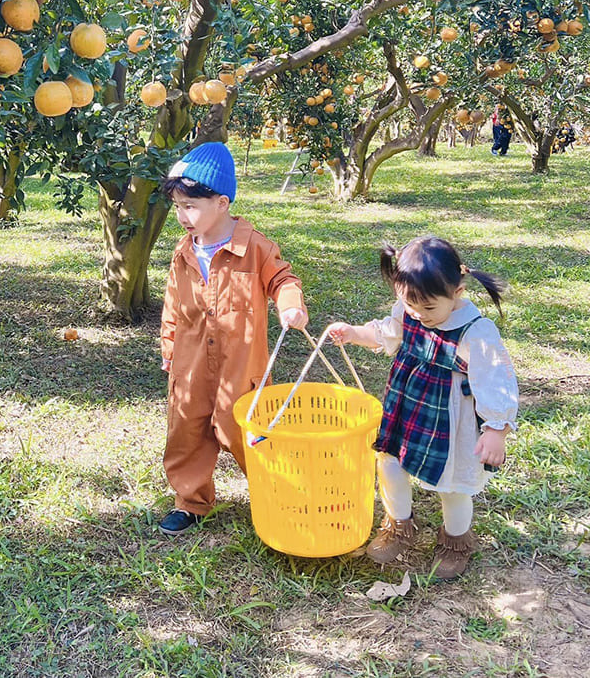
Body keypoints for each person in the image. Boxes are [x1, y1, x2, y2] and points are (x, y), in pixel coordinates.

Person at [324, 236, 518, 580]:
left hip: (449, 420)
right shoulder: (409, 309)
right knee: (390, 463)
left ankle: (455, 541)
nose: (418, 314)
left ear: (457, 291)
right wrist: (354, 333)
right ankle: (400, 525)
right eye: (409, 304)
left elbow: (496, 382)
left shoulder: (476, 332)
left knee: (452, 486)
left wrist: (496, 429)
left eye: (428, 308)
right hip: (407, 406)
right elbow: (387, 334)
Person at [158, 141, 309, 536]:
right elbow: (174, 302)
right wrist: (170, 346)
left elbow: (283, 278)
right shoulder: (183, 252)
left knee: (246, 430)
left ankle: (274, 492)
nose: (182, 216)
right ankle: (191, 501)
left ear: (222, 203)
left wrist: (290, 304)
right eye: (177, 207)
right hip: (190, 365)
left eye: (190, 206)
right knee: (186, 430)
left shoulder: (255, 247)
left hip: (241, 367)